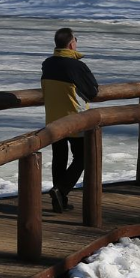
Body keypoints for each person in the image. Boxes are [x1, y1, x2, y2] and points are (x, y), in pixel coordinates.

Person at [41, 27, 99, 213]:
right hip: (75, 119)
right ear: (71, 43)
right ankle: (61, 190)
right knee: (83, 157)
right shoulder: (77, 66)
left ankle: (60, 201)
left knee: (59, 158)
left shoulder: (47, 64)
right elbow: (93, 91)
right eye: (76, 39)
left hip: (53, 120)